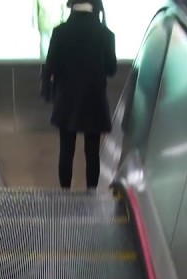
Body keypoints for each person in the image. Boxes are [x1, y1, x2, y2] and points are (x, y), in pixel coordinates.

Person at [41, 0, 116, 190]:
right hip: (94, 100)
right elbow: (111, 69)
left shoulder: (60, 33)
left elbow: (50, 66)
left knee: (66, 151)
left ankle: (65, 194)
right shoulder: (106, 34)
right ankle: (91, 195)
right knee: (92, 153)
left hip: (67, 101)